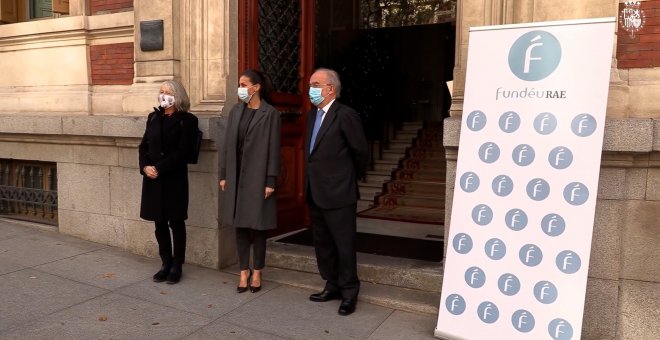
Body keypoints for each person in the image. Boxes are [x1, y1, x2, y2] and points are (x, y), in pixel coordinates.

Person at [304, 68, 369, 316]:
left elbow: (360, 152)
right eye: (311, 84)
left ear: (330, 88)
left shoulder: (345, 115)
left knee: (343, 244)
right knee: (323, 244)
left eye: (316, 84)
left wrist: (349, 179)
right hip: (316, 191)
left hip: (340, 193)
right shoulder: (312, 116)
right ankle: (331, 284)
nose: (311, 88)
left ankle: (349, 292)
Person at [219, 69, 281, 294]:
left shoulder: (271, 113)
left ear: (256, 87)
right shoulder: (236, 111)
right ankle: (243, 271)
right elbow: (227, 146)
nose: (241, 89)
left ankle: (257, 271)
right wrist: (224, 175)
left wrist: (270, 180)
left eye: (244, 84)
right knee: (240, 225)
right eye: (240, 84)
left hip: (258, 176)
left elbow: (274, 149)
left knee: (259, 226)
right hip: (236, 176)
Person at [139, 80, 198, 284]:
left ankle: (177, 265)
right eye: (161, 92)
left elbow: (182, 152)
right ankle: (165, 262)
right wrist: (145, 167)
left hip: (173, 179)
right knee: (159, 222)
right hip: (153, 179)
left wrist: (159, 168)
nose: (163, 95)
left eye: (168, 92)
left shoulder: (187, 120)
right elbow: (143, 147)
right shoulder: (153, 117)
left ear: (177, 96)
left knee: (176, 222)